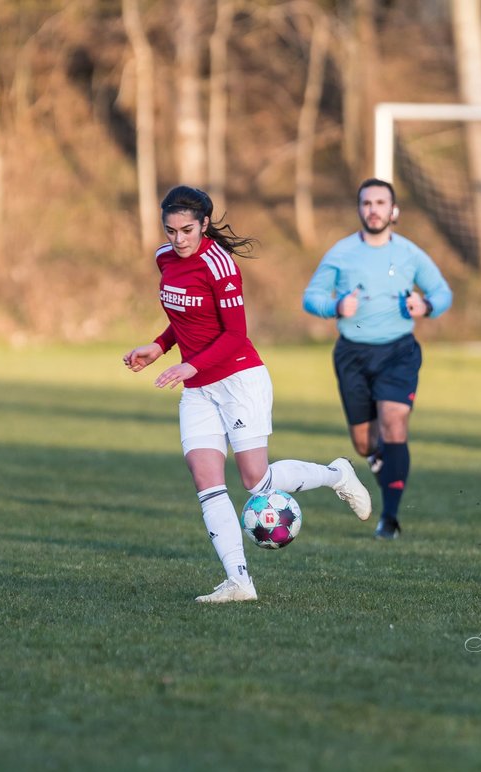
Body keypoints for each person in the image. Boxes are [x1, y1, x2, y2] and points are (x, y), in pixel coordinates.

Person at [123, 186, 372, 604]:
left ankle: (336, 474)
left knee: (257, 481)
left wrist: (190, 364)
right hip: (199, 389)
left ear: (204, 224)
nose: (178, 239)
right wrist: (159, 346)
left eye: (187, 230)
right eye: (170, 230)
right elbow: (185, 315)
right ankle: (239, 581)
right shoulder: (164, 259)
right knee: (206, 481)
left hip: (239, 379)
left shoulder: (220, 265)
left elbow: (235, 335)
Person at [303, 178, 453, 541]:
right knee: (364, 443)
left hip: (398, 351)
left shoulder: (410, 254)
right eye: (367, 203)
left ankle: (390, 517)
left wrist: (427, 305)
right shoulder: (341, 253)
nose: (374, 209)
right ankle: (380, 462)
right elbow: (312, 297)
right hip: (352, 353)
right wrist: (336, 306)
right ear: (359, 210)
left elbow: (442, 292)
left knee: (394, 422)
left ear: (393, 210)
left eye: (380, 202)